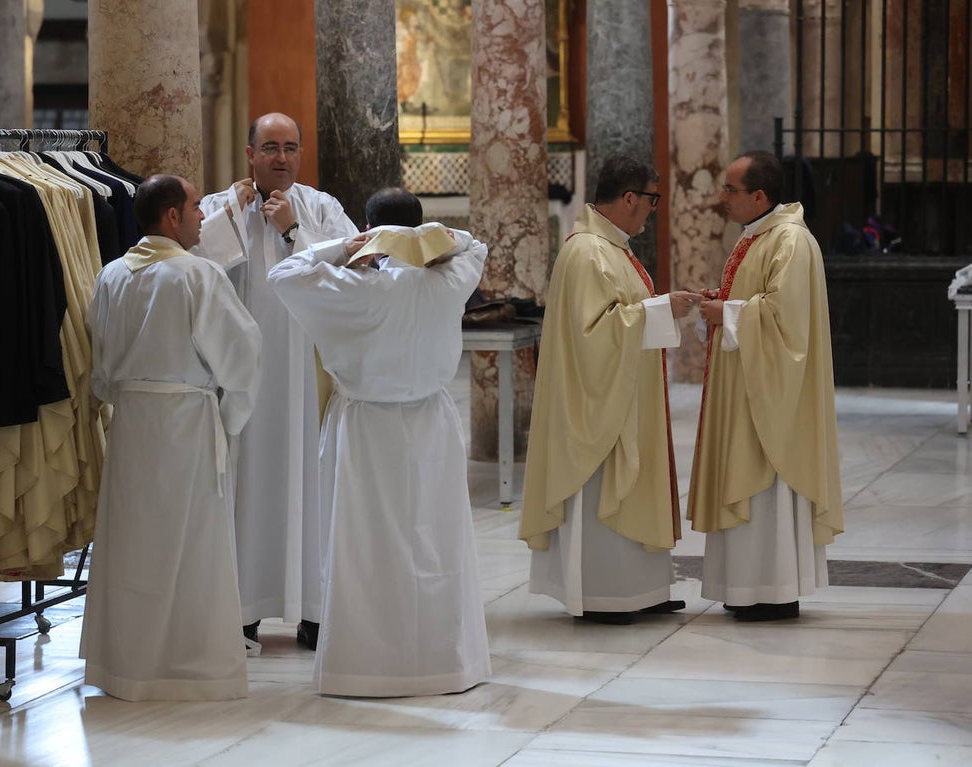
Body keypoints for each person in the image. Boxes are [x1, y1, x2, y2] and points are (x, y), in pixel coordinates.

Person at [266, 187, 491, 697]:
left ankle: (365, 667)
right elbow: (474, 245)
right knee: (434, 543)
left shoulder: (353, 288)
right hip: (429, 425)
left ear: (367, 230)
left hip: (366, 431)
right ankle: (442, 663)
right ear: (418, 227)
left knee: (365, 550)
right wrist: (428, 240)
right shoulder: (447, 280)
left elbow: (284, 274)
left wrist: (345, 247)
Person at [80, 174, 262, 700]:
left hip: (133, 423)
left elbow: (99, 360)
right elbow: (242, 354)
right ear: (172, 217)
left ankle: (126, 664)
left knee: (134, 543)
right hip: (186, 421)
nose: (204, 215)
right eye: (196, 207)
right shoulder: (196, 275)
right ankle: (191, 666)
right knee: (191, 544)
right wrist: (228, 420)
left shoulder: (111, 274)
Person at [191, 112, 358, 651]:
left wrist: (293, 230)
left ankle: (312, 608)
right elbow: (195, 270)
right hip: (243, 376)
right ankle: (243, 608)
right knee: (246, 484)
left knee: (309, 486)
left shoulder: (321, 207)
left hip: (306, 373)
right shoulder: (220, 206)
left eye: (289, 147)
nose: (280, 158)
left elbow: (357, 265)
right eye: (269, 147)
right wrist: (233, 219)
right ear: (249, 154)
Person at [518, 156, 702, 625]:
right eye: (651, 200)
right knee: (606, 489)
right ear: (629, 198)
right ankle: (606, 594)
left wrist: (660, 307)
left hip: (627, 394)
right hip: (597, 403)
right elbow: (592, 336)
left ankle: (641, 589)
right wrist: (661, 310)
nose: (652, 210)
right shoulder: (588, 253)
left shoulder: (611, 247)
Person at [689, 150, 843, 621]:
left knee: (765, 487)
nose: (722, 198)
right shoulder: (756, 237)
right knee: (745, 479)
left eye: (730, 190)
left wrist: (731, 314)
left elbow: (785, 319)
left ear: (759, 195)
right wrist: (724, 303)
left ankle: (772, 589)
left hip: (771, 395)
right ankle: (743, 585)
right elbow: (758, 300)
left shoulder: (790, 242)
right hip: (744, 385)